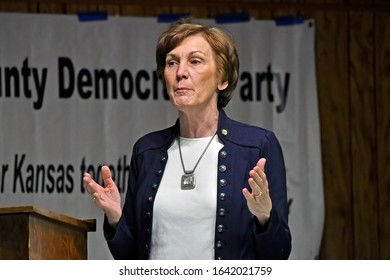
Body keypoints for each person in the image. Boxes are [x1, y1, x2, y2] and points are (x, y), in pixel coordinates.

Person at [83, 18, 292, 260]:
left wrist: (265, 216)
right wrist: (116, 217)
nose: (180, 72)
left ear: (222, 79)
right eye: (172, 63)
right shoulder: (147, 151)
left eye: (195, 61)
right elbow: (130, 259)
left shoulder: (257, 146)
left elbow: (278, 255)